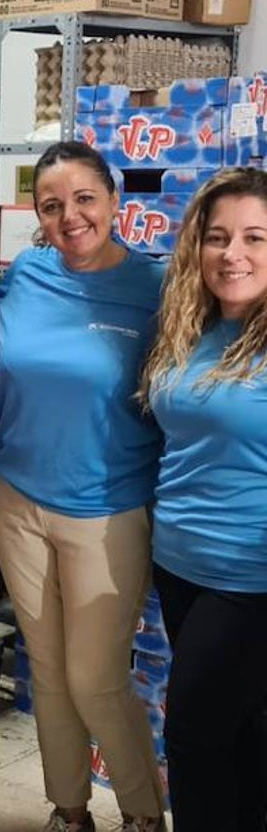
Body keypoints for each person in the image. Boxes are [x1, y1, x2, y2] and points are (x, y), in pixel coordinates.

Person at [0, 141, 166, 832]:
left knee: (96, 676)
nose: (70, 217)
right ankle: (68, 810)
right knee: (50, 672)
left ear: (114, 200)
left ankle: (143, 814)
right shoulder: (26, 274)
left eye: (84, 199)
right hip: (18, 502)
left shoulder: (156, 288)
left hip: (109, 511)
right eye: (52, 205)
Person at [136, 168, 267, 832]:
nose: (232, 254)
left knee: (191, 737)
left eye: (254, 237)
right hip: (181, 564)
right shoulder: (189, 324)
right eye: (217, 237)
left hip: (249, 578)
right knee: (240, 736)